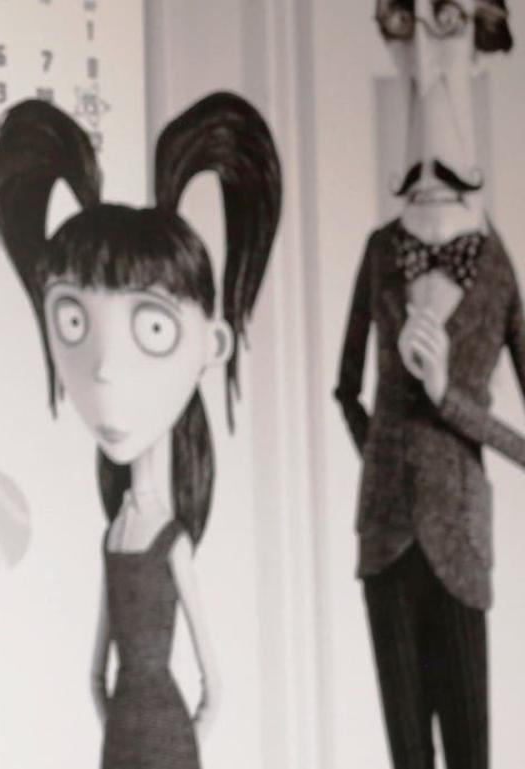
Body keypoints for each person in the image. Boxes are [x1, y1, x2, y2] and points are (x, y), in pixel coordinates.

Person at [0, 93, 282, 768]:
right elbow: (97, 670)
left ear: (213, 344)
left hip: (160, 731)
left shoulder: (170, 538)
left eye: (152, 327)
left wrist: (178, 738)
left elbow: (212, 682)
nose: (105, 368)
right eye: (72, 321)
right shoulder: (117, 533)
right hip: (124, 733)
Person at [336, 2, 515, 767]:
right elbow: (345, 387)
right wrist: (382, 457)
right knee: (406, 753)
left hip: (462, 539)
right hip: (384, 539)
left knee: (470, 750)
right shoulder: (382, 250)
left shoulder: (496, 266)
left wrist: (448, 398)